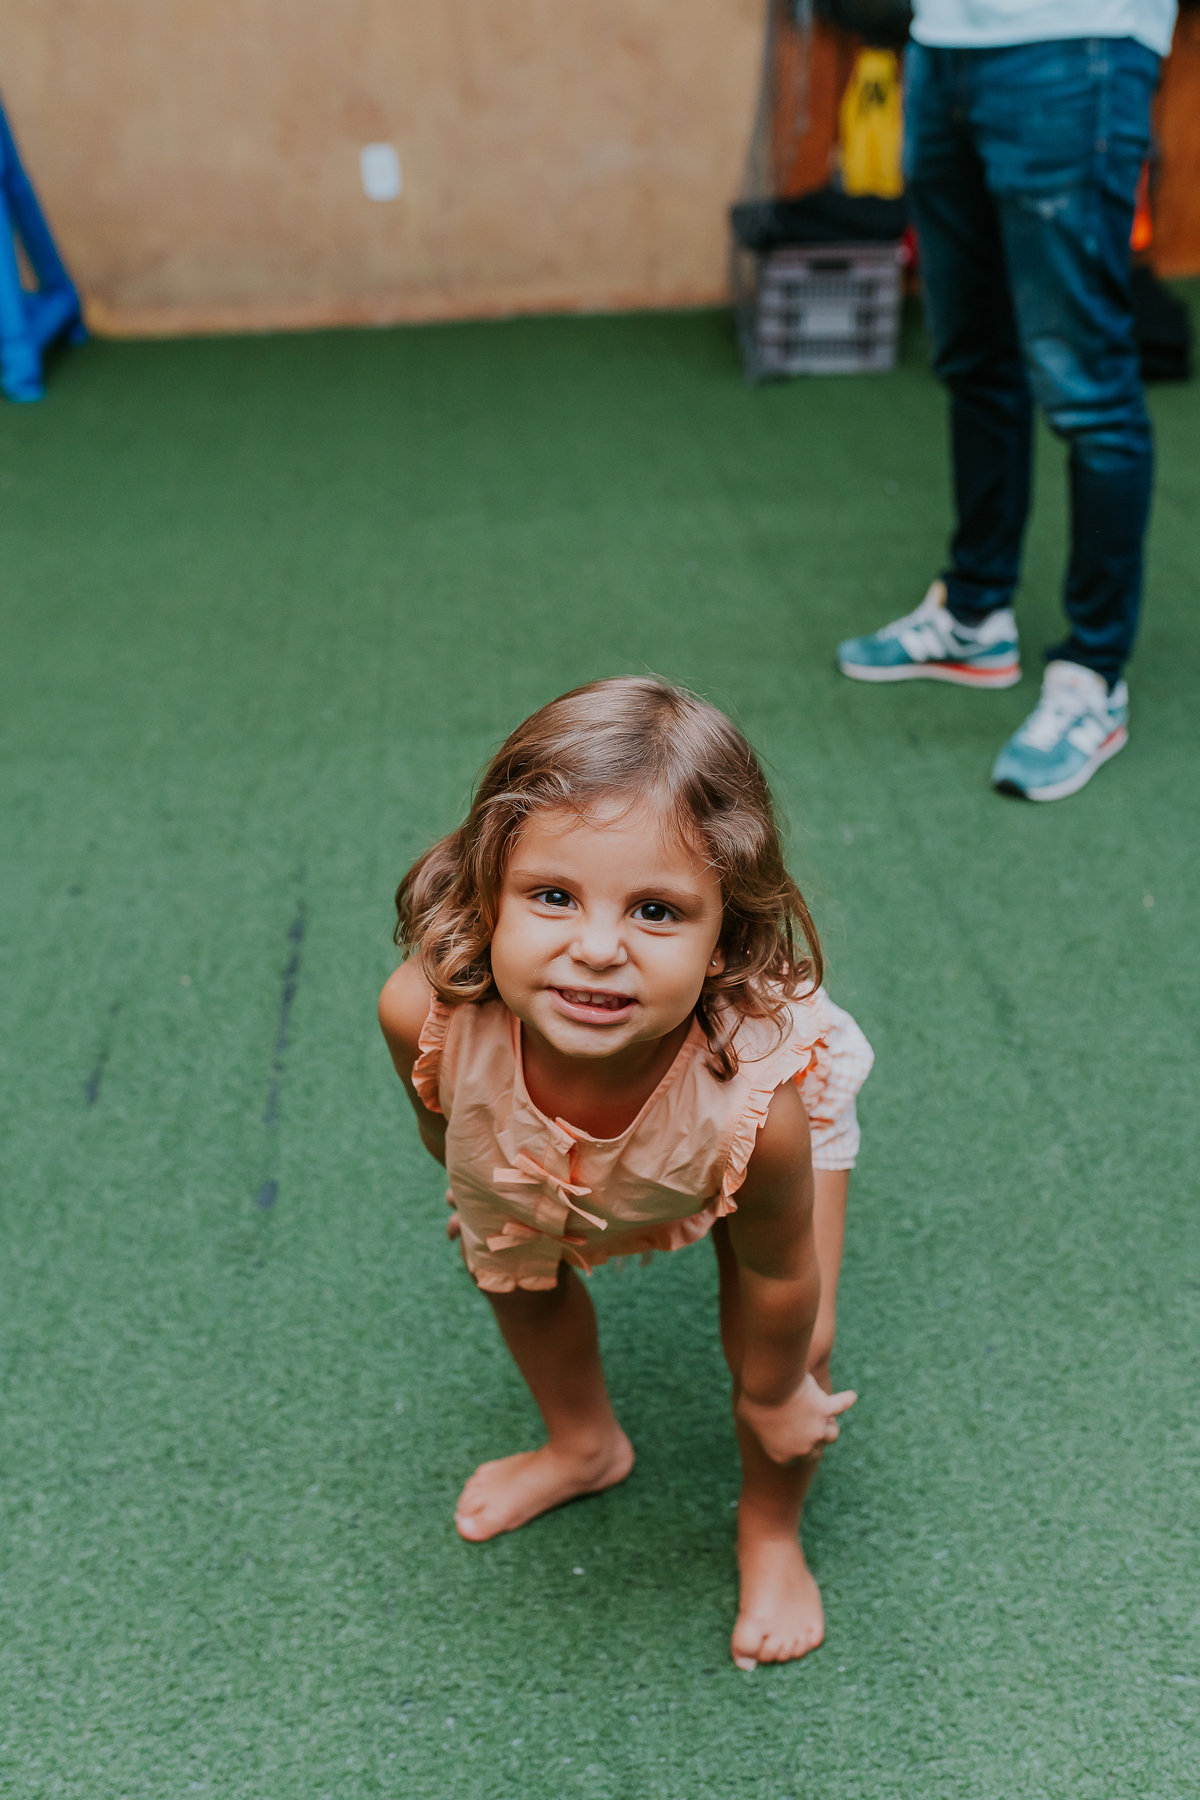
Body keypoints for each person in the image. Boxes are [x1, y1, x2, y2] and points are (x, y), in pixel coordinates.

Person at [378, 677, 873, 1670]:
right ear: (486, 890)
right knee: (511, 1265)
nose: (597, 949)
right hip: (568, 1156)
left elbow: (778, 1269)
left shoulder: (765, 1105)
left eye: (656, 911)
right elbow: (443, 1125)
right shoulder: (421, 1012)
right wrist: (487, 1195)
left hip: (728, 1123)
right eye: (553, 896)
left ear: (726, 938)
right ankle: (584, 1445)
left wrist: (775, 1394)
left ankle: (771, 1530)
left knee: (797, 1346)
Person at [836, 1, 1178, 802]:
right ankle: (974, 616)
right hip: (942, 42)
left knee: (1087, 390)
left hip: (1078, 45)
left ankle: (1093, 676)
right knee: (972, 355)